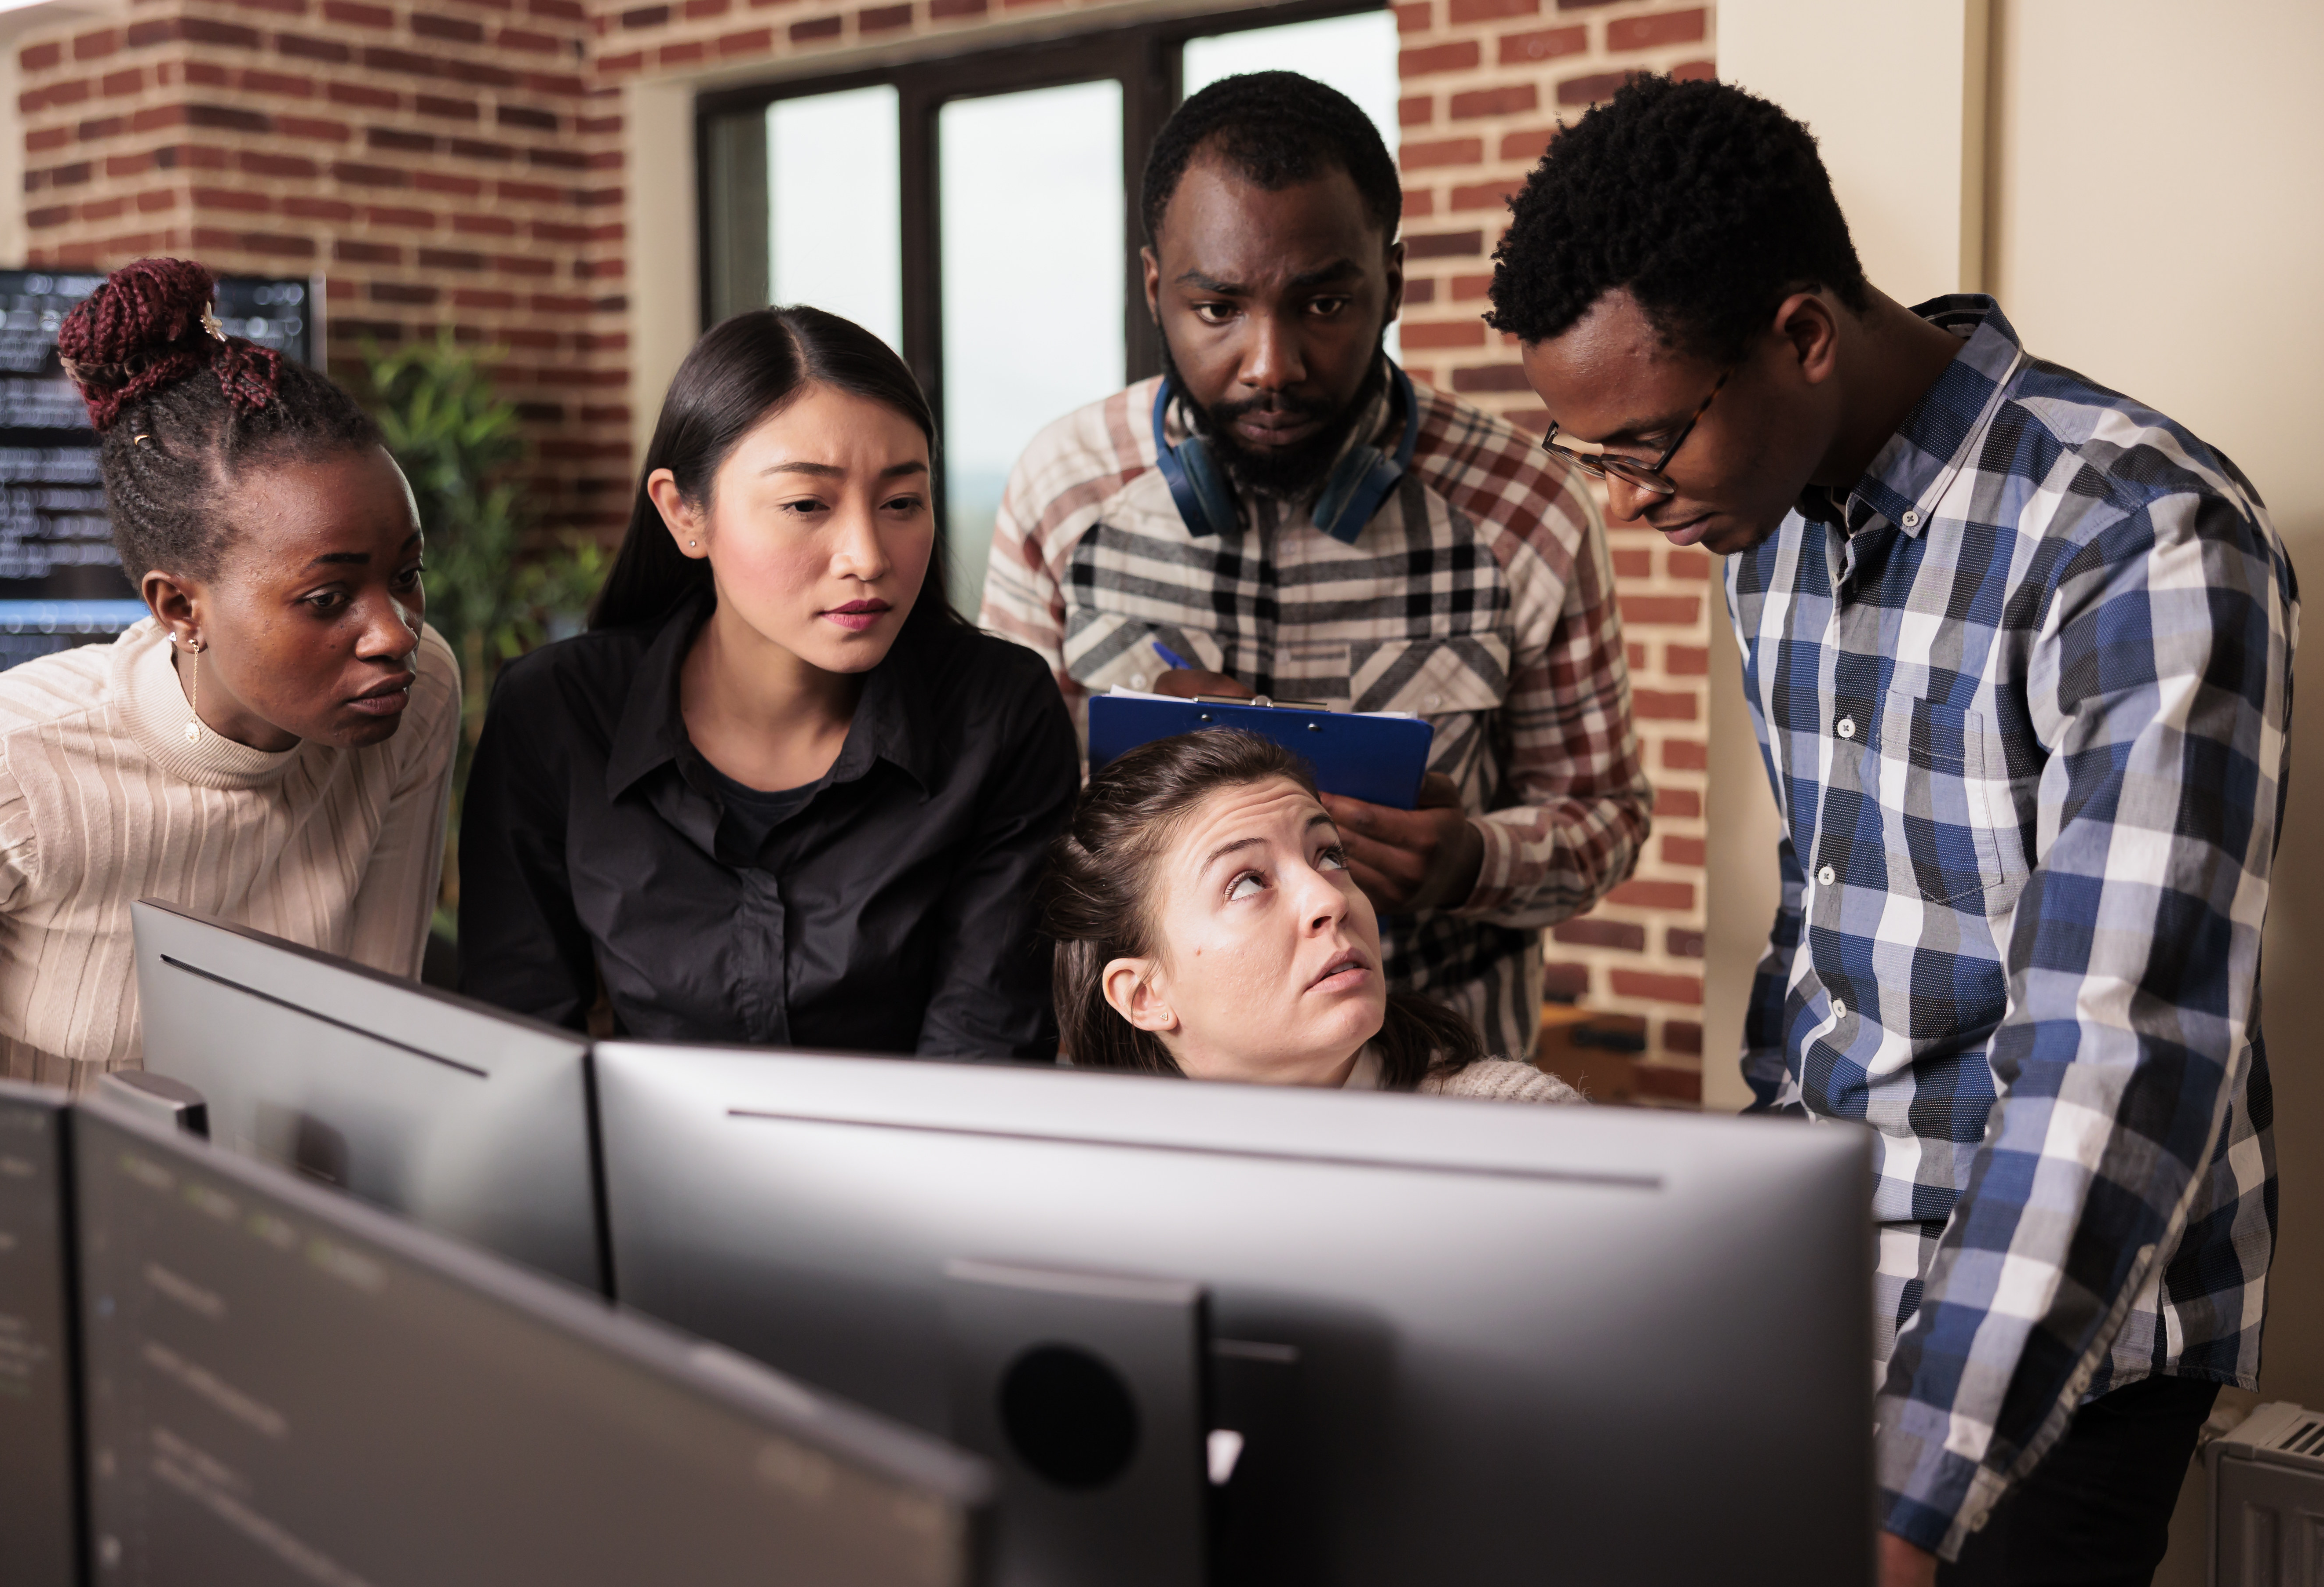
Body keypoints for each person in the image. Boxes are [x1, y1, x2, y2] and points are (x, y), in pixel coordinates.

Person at [1492, 75, 2295, 1586]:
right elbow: (1820, 911)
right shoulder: (1761, 528)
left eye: (1647, 446)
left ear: (1800, 336)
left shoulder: (2137, 535)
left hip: (2068, 1324)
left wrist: (1911, 1487)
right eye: (1588, 456)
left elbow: (2120, 1055)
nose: (1623, 502)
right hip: (1832, 1261)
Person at [980, 72, 1651, 1060]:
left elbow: (1606, 817)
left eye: (1324, 302)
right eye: (1216, 309)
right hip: (1151, 1100)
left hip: (1440, 1093)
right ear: (1153, 286)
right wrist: (1133, 783)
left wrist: (1471, 859)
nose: (1270, 363)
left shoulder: (1526, 509)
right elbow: (997, 825)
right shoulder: (1063, 489)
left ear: (1395, 280)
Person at [458, 307, 1078, 1057]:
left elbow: (983, 1056)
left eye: (902, 503)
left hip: (914, 1167)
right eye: (806, 505)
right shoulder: (558, 713)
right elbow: (518, 1049)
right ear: (684, 512)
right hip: (640, 1171)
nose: (867, 556)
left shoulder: (998, 715)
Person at [0, 257, 459, 1092]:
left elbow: (377, 1034)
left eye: (407, 573)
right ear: (180, 609)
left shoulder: (418, 692)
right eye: (329, 598)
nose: (395, 634)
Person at [1042, 728, 1581, 1102]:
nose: (1332, 900)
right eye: (1248, 882)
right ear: (1145, 996)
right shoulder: (1086, 1187)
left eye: (1330, 856)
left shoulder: (1519, 1124)